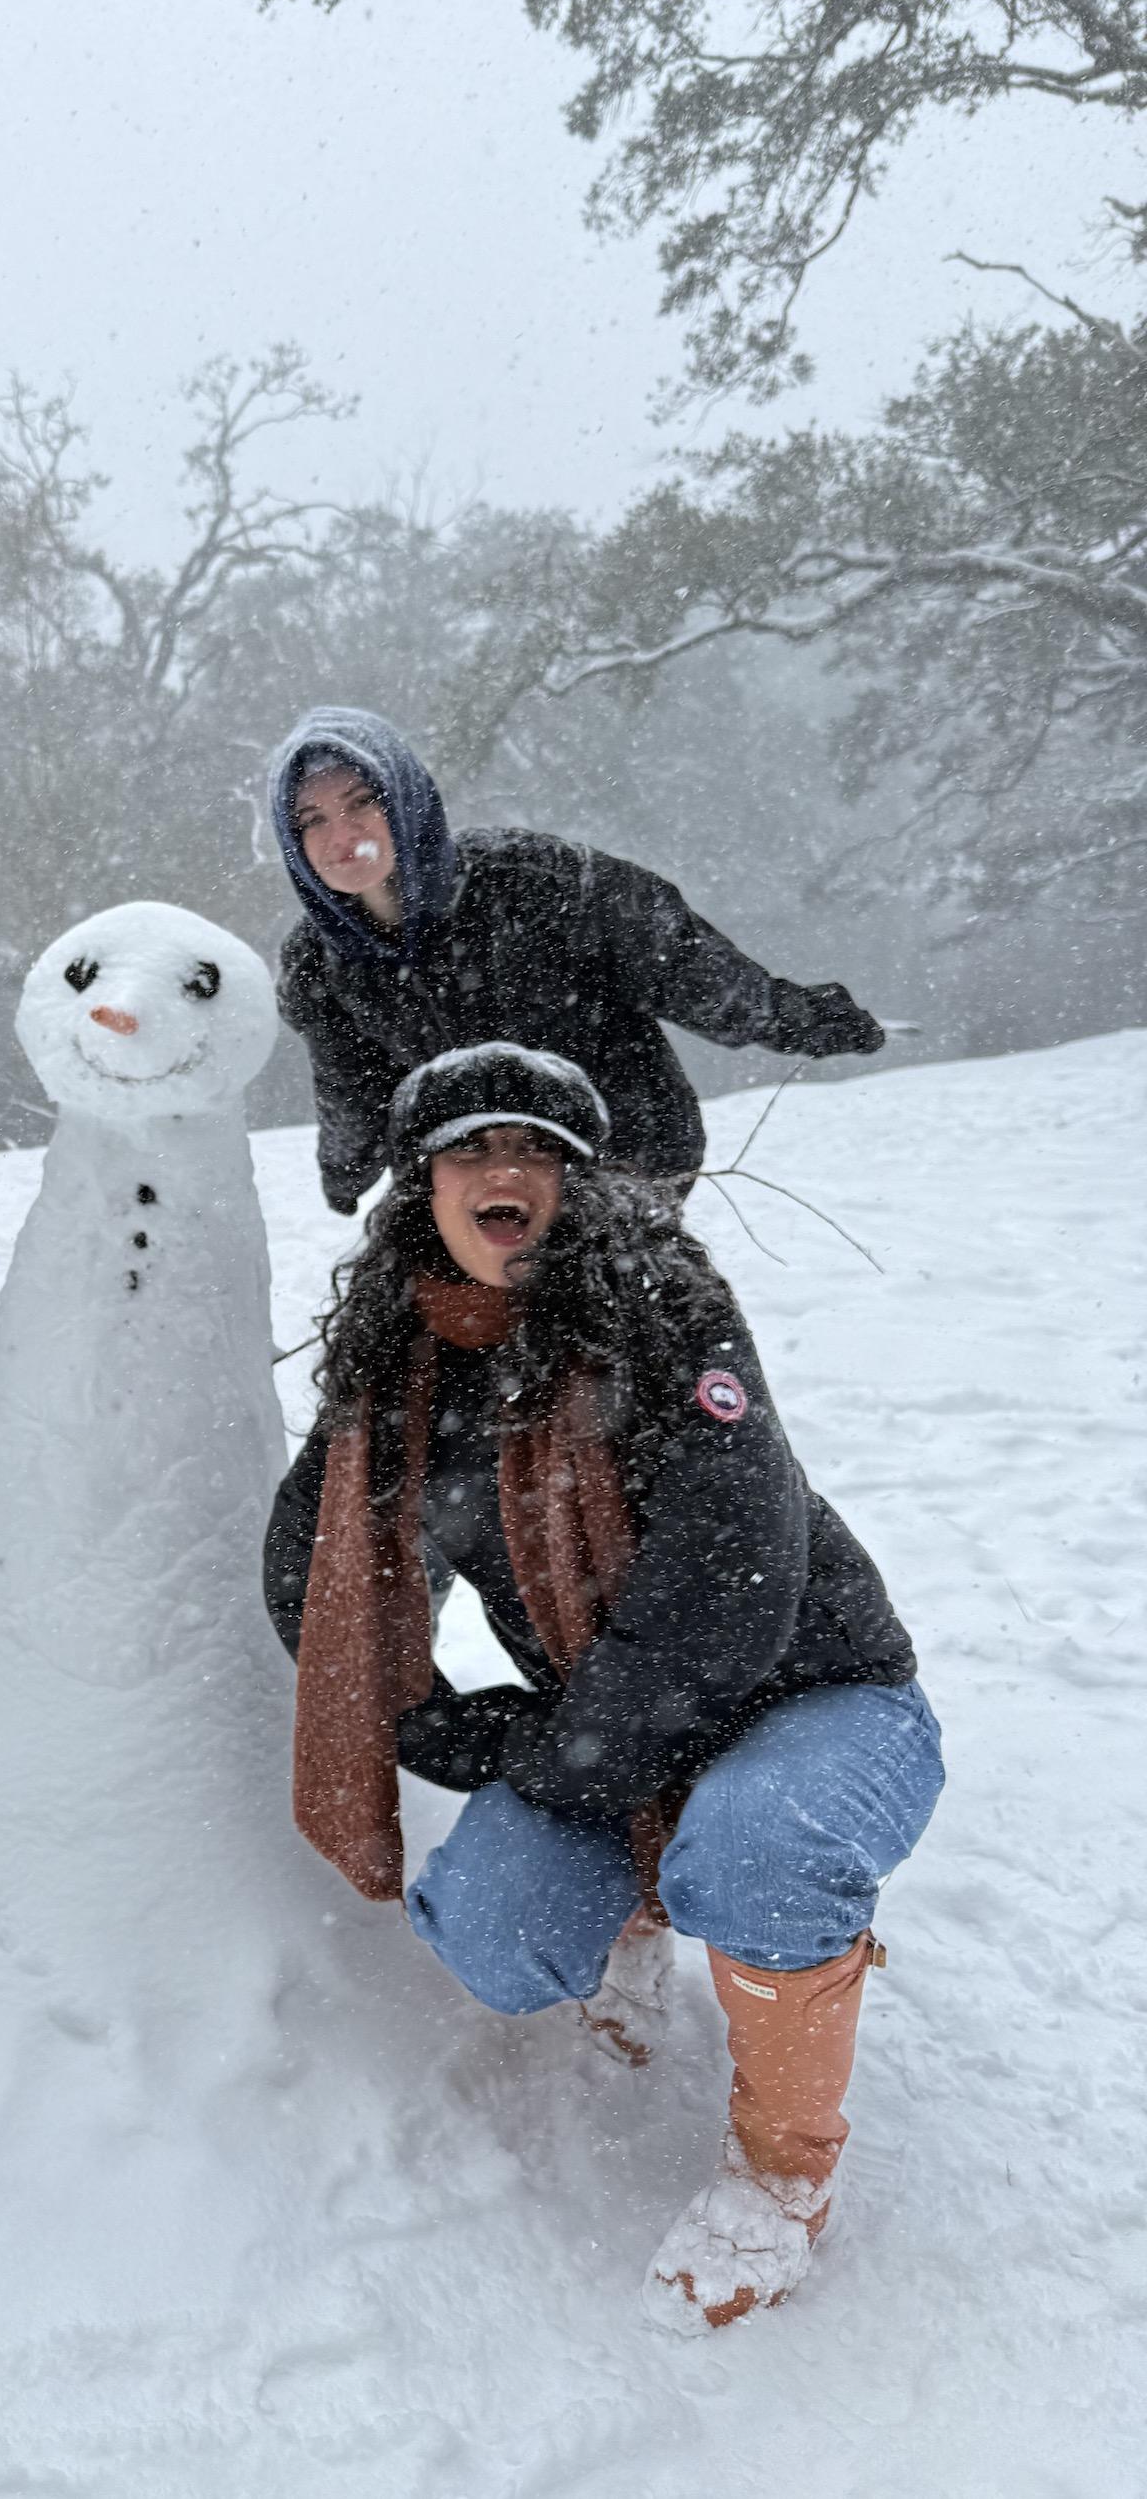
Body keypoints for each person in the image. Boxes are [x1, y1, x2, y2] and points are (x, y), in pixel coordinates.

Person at [263, 1042, 942, 2330]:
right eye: (469, 1149)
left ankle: (780, 2171)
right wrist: (422, 1721)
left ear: (579, 1186)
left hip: (821, 1700)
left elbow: (730, 1566)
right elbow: (317, 1562)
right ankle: (654, 1903)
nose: (502, 1171)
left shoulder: (663, 1313)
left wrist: (565, 1753)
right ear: (421, 1186)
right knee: (496, 1933)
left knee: (755, 1853)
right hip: (617, 1724)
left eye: (535, 1151)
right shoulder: (401, 1368)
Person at [267, 706, 886, 1208]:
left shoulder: (534, 880)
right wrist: (344, 1176)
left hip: (616, 1163)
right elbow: (352, 1085)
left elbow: (686, 966)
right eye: (312, 820)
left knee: (602, 1335)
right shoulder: (318, 964)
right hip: (466, 1191)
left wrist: (798, 1018)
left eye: (359, 802)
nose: (341, 836)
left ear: (403, 798)